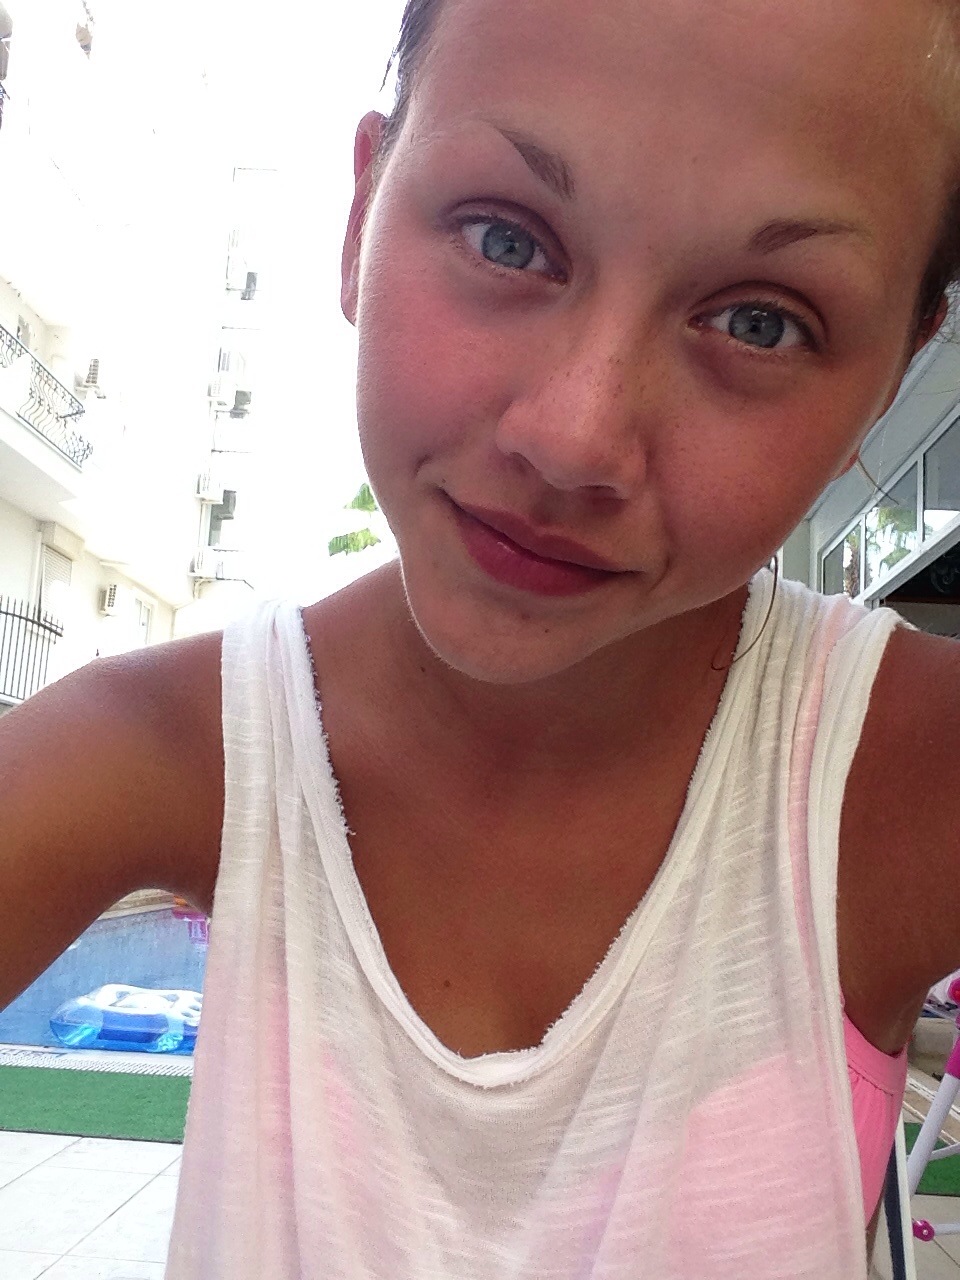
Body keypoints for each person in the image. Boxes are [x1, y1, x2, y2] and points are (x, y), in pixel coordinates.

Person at [2, 0, 960, 1274]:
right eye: (508, 238)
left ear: (891, 379)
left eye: (760, 320)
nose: (573, 438)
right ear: (359, 215)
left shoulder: (906, 777)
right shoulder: (158, 746)